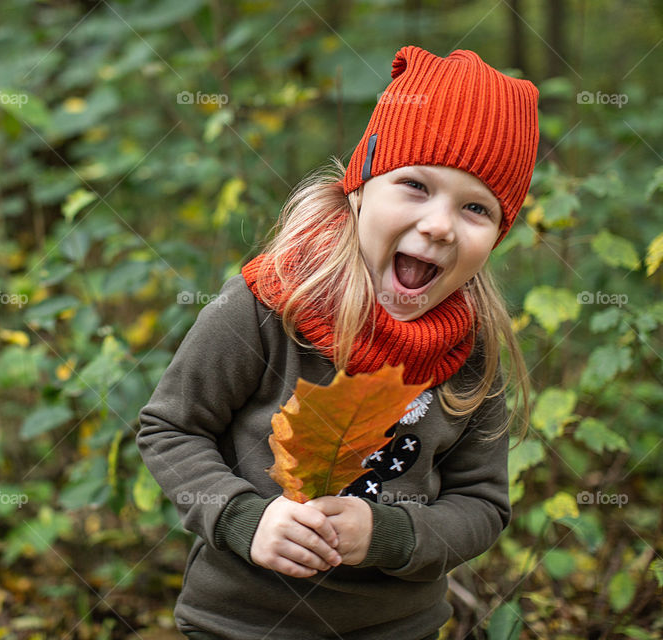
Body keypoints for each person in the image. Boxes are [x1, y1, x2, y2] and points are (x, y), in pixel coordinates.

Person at [136, 44, 538, 640]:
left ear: (496, 237)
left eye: (476, 207)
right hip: (241, 624)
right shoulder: (267, 303)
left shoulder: (470, 355)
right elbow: (170, 429)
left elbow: (481, 504)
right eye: (415, 185)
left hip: (397, 627)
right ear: (359, 189)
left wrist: (391, 535)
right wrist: (246, 519)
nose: (437, 224)